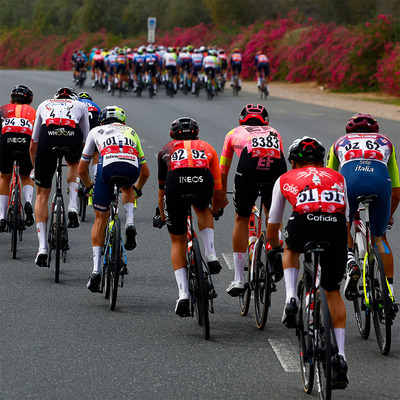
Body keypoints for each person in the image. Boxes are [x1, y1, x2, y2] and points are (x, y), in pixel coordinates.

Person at [266, 136, 349, 387]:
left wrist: (277, 247)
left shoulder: (284, 179)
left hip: (304, 223)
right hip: (335, 228)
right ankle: (341, 357)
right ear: (323, 161)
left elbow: (272, 229)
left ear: (292, 162)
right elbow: (346, 221)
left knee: (291, 247)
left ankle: (291, 297)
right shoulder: (337, 177)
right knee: (333, 291)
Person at [327, 113, 400, 307]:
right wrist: (388, 217)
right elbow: (397, 191)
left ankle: (350, 258)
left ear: (349, 130)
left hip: (349, 182)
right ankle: (389, 295)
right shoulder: (386, 142)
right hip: (379, 183)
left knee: (342, 224)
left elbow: (330, 180)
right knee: (380, 237)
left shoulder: (339, 142)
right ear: (375, 130)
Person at [154, 117, 224, 316]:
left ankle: (183, 294)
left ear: (172, 134)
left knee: (178, 241)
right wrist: (216, 209)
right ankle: (211, 254)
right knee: (203, 209)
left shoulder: (165, 149)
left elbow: (161, 191)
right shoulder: (207, 147)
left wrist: (161, 214)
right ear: (197, 133)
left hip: (176, 182)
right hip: (202, 179)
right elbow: (218, 190)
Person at [78, 106, 149, 292]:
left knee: (100, 219)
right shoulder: (131, 131)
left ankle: (96, 271)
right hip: (130, 168)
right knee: (128, 187)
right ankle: (130, 223)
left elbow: (81, 169)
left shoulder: (96, 131)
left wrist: (89, 187)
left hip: (106, 167)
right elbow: (146, 172)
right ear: (123, 122)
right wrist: (137, 190)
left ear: (102, 121)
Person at [219, 104, 287, 296]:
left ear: (242, 120)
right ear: (266, 122)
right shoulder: (275, 132)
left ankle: (239, 279)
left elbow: (223, 171)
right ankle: (274, 252)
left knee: (241, 217)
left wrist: (222, 198)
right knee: (271, 212)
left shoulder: (234, 132)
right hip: (275, 165)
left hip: (249, 166)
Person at [29, 87, 90, 267]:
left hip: (48, 135)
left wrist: (35, 169)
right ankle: (72, 206)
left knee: (41, 194)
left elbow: (33, 145)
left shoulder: (44, 104)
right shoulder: (80, 105)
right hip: (72, 135)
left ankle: (42, 248)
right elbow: (86, 140)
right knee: (73, 163)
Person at [0, 85, 36, 232]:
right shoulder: (33, 111)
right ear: (29, 101)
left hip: (6, 139)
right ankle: (27, 202)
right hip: (26, 139)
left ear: (11, 100)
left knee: (4, 176)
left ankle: (1, 217)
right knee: (26, 176)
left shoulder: (3, 108)